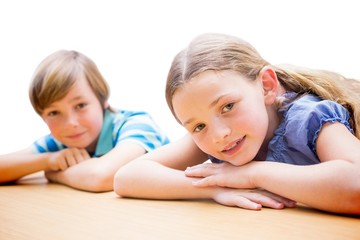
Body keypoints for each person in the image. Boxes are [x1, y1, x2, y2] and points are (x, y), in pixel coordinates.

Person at [114, 33, 360, 215]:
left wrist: (252, 174)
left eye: (228, 106)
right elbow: (127, 177)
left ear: (266, 86)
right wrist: (215, 189)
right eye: (198, 126)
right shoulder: (215, 136)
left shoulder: (308, 118)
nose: (219, 135)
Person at [0, 50, 169, 192]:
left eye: (80, 105)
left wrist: (53, 173)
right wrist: (48, 160)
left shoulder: (136, 124)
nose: (70, 123)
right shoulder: (59, 144)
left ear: (103, 101)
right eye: (53, 113)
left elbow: (102, 176)